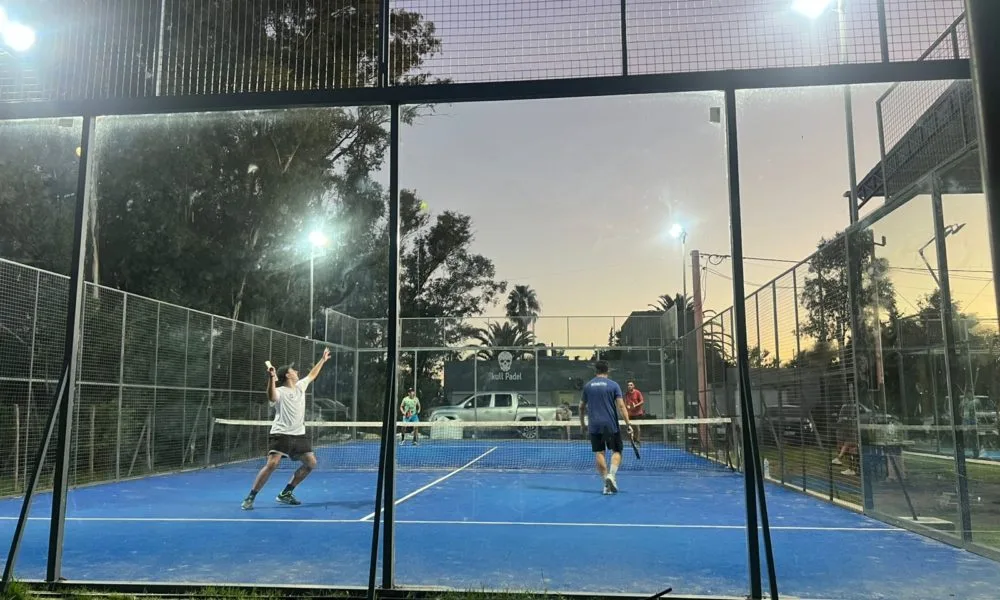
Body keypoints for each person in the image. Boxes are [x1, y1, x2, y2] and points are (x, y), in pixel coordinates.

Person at [241, 348, 330, 510]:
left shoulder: (300, 387)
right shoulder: (279, 391)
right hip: (281, 434)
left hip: (299, 434)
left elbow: (312, 375)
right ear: (288, 375)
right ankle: (251, 496)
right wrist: (271, 378)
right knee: (272, 464)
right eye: (293, 370)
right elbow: (271, 396)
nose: (297, 371)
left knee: (311, 463)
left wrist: (322, 360)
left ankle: (286, 493)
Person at [579, 360, 633, 495]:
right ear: (607, 370)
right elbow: (621, 406)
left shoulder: (588, 386)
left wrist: (583, 424)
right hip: (610, 425)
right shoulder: (613, 385)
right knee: (617, 451)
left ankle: (606, 484)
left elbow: (581, 407)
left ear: (595, 371)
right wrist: (628, 425)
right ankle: (612, 476)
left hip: (594, 425)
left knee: (599, 452)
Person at [624, 380, 645, 445]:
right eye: (628, 385)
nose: (629, 386)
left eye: (631, 385)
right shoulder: (626, 394)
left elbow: (642, 401)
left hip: (638, 413)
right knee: (631, 428)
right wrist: (627, 406)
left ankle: (638, 441)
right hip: (630, 414)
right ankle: (633, 441)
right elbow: (625, 403)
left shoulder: (637, 392)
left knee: (637, 427)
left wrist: (635, 405)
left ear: (633, 386)